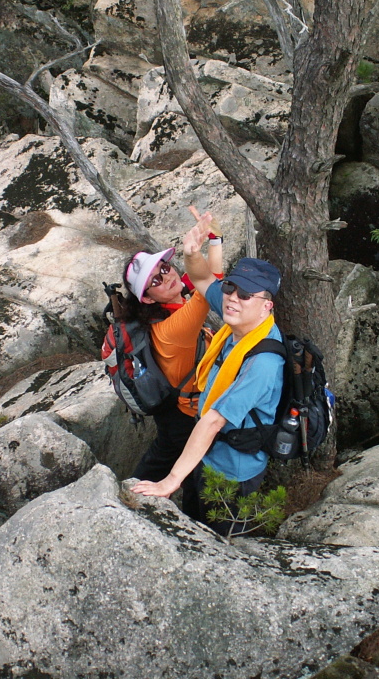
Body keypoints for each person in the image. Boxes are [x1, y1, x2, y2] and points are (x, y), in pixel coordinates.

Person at [132, 219, 284, 536]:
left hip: (232, 473)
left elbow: (214, 420)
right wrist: (192, 250)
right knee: (194, 525)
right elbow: (203, 278)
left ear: (266, 306)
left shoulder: (263, 363)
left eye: (246, 295)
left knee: (224, 540)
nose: (232, 298)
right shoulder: (239, 318)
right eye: (231, 287)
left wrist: (171, 481)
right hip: (206, 455)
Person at [122, 207, 223, 482]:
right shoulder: (174, 328)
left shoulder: (170, 306)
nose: (167, 277)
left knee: (166, 456)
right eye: (156, 280)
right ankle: (131, 497)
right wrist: (213, 242)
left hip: (175, 407)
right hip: (184, 415)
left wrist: (211, 238)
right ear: (147, 298)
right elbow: (210, 285)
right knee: (188, 468)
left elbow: (193, 280)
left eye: (165, 268)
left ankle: (133, 491)